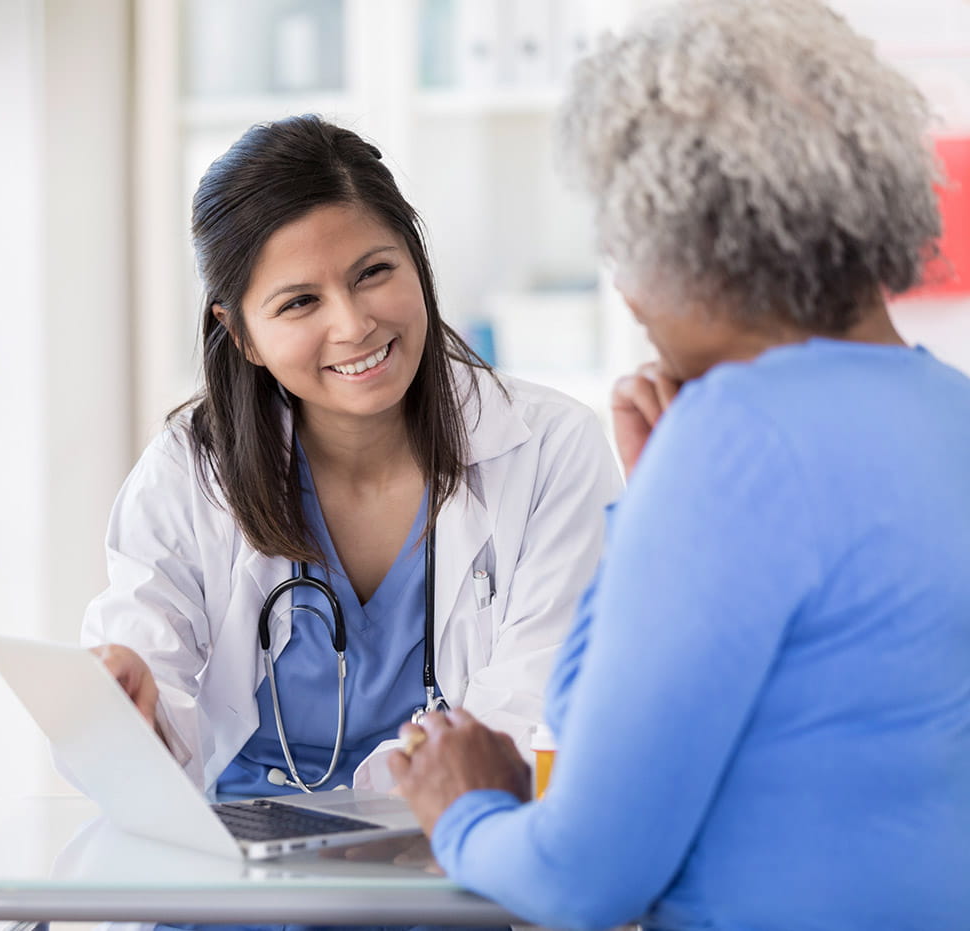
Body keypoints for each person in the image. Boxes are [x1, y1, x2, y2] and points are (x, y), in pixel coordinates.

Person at [389, 1, 970, 929]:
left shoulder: (735, 439)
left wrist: (466, 807)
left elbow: (581, 878)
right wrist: (657, 494)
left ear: (691, 241)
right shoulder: (951, 413)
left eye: (623, 238)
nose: (626, 288)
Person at [83, 114, 620, 804]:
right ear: (240, 333)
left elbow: (535, 707)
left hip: (446, 855)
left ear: (416, 261)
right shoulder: (189, 473)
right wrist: (129, 707)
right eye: (300, 301)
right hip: (236, 876)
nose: (353, 323)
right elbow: (143, 679)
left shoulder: (551, 450)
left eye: (374, 272)